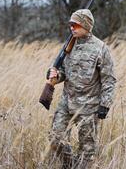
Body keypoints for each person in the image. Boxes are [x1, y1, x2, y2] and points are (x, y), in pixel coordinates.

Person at [47, 9, 116, 168]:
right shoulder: (69, 45)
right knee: (55, 138)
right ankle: (70, 165)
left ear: (86, 25)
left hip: (89, 106)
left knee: (87, 150)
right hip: (67, 103)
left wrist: (105, 105)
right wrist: (55, 76)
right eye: (70, 24)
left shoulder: (100, 48)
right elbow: (63, 72)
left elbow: (109, 79)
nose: (72, 28)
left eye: (76, 24)